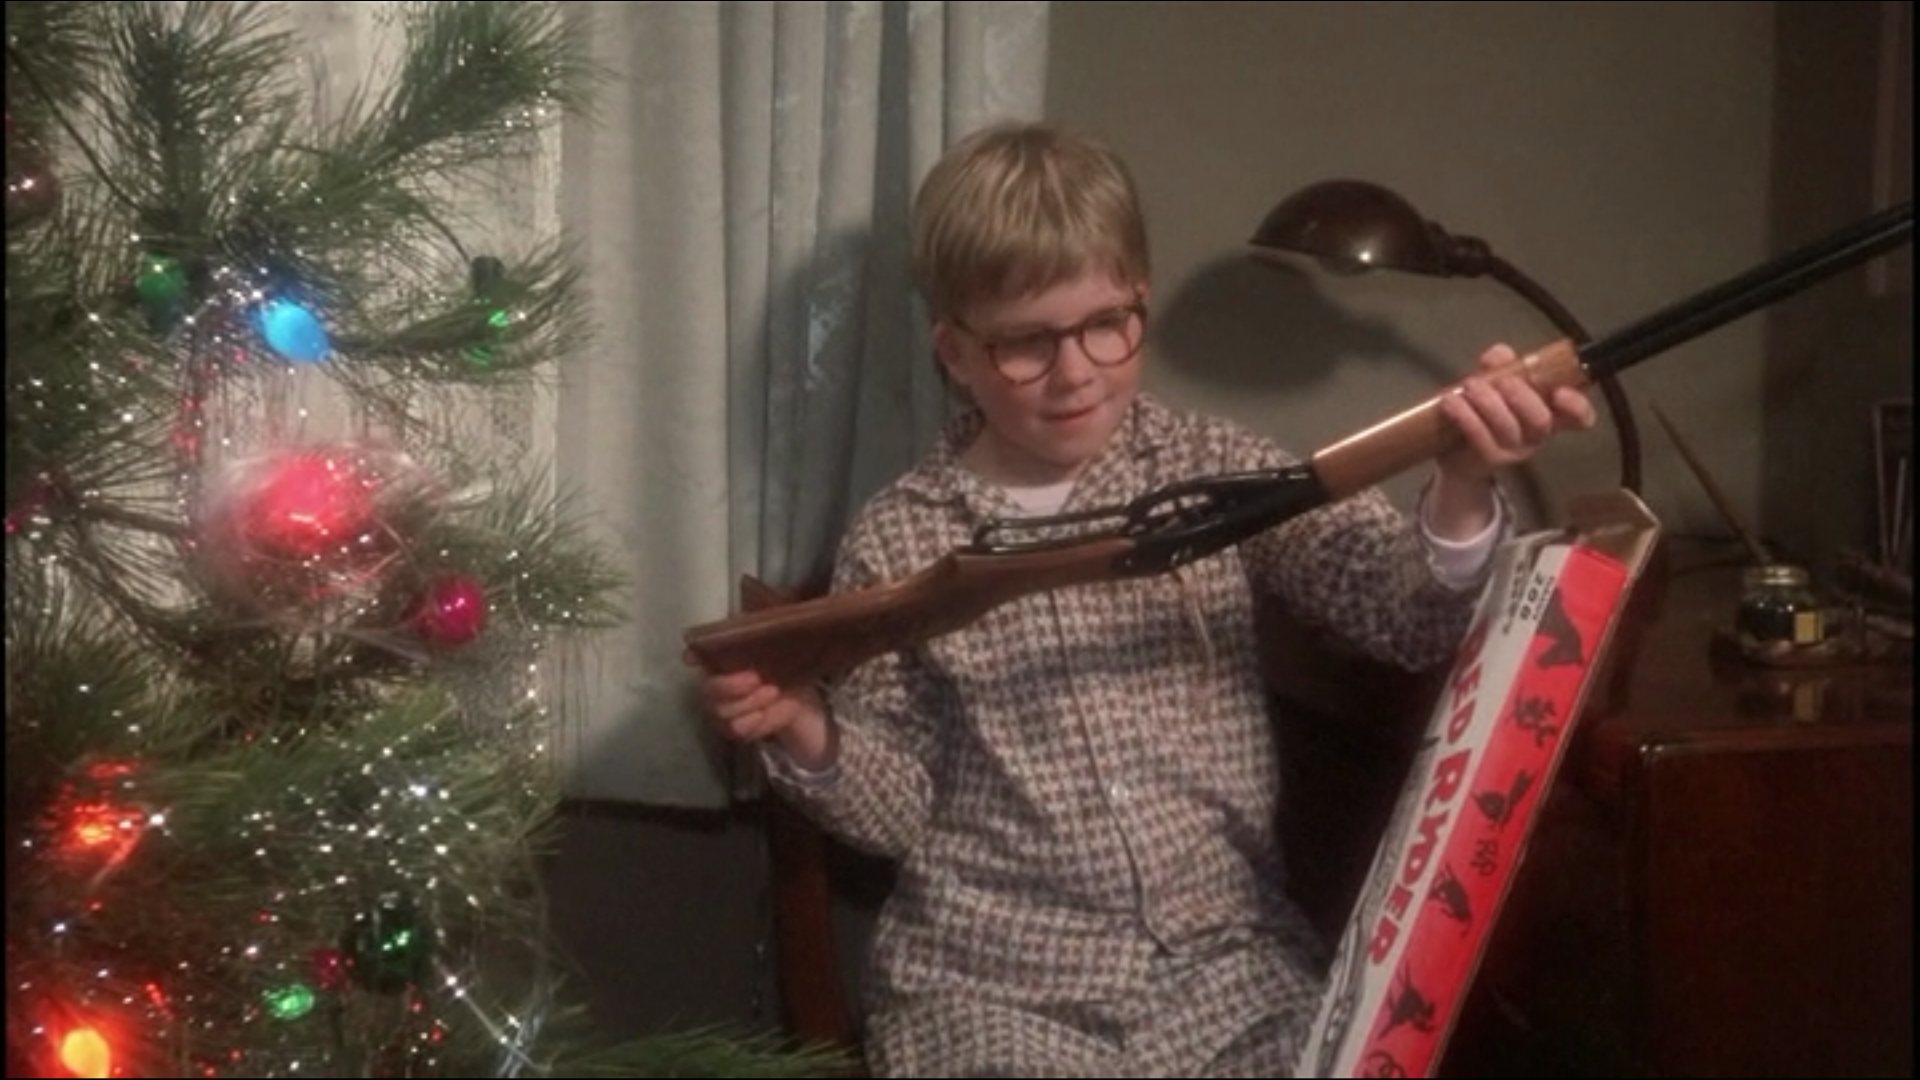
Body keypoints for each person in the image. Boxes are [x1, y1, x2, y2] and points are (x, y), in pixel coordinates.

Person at [690, 120, 1595, 1077]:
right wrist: (806, 727)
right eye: (1026, 343)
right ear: (955, 353)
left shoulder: (1217, 470)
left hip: (1230, 974)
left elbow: (1404, 614)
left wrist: (1461, 480)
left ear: (1140, 303)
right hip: (991, 991)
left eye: (1104, 325)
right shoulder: (898, 537)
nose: (1076, 371)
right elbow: (898, 811)